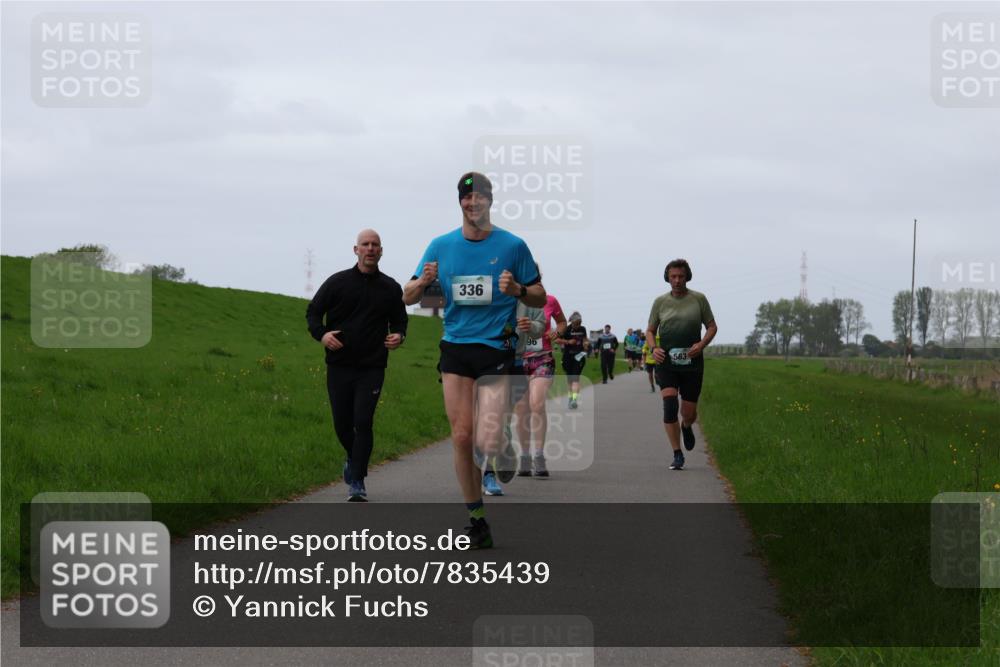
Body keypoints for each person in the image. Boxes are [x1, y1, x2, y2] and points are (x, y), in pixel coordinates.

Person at [403, 172, 545, 548]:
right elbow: (409, 296)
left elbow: (539, 295)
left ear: (489, 201)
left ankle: (502, 446)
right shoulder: (440, 245)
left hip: (497, 349)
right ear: (461, 203)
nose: (473, 203)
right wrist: (423, 283)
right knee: (462, 436)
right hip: (455, 348)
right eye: (467, 198)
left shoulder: (513, 245)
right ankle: (477, 519)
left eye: (479, 197)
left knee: (487, 436)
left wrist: (518, 290)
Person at [306, 229, 407, 501]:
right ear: (356, 250)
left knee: (363, 421)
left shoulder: (390, 287)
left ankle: (357, 481)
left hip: (372, 366)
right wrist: (322, 335)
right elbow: (313, 313)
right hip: (339, 364)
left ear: (381, 251)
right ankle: (353, 458)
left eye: (375, 245)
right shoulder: (337, 283)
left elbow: (400, 320)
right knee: (342, 424)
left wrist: (399, 335)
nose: (370, 248)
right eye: (365, 244)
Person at [646, 259, 718, 471]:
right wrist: (653, 348)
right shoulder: (660, 302)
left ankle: (687, 426)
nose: (677, 280)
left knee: (688, 413)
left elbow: (712, 327)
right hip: (666, 361)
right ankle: (677, 453)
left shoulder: (699, 299)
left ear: (687, 277)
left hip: (692, 363)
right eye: (673, 276)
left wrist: (701, 344)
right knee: (670, 408)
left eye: (681, 276)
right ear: (667, 277)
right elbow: (650, 330)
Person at [515, 285, 566, 478]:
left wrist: (558, 332)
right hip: (519, 359)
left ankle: (539, 455)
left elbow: (562, 322)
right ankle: (525, 456)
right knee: (521, 408)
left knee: (536, 404)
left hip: (542, 358)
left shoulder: (549, 300)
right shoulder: (513, 302)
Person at [556, 312, 589, 409]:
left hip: (579, 357)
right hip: (567, 357)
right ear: (572, 321)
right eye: (576, 324)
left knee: (575, 379)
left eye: (579, 323)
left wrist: (586, 343)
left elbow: (585, 339)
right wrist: (567, 341)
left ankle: (574, 399)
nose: (578, 326)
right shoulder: (566, 329)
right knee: (569, 380)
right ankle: (571, 398)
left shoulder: (583, 329)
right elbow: (556, 340)